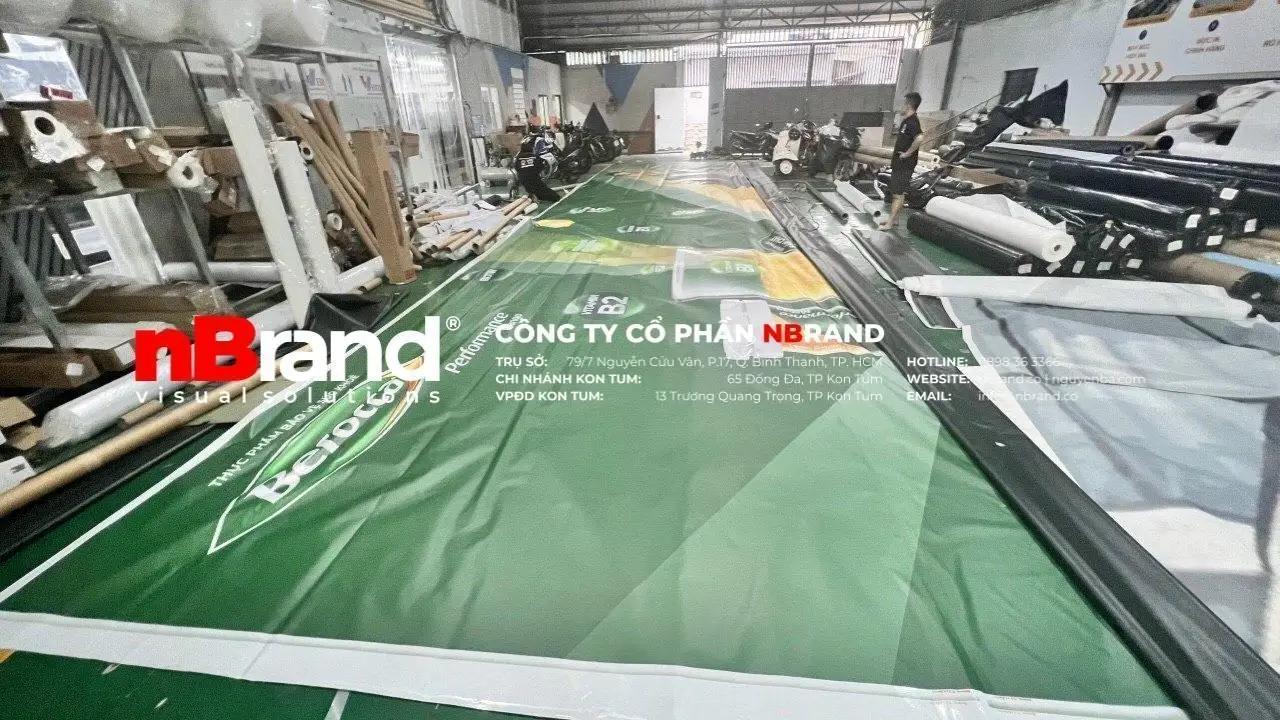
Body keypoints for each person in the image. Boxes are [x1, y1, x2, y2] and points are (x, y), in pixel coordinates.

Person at [880, 92, 924, 231]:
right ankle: (895, 220)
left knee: (897, 195)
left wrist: (907, 154)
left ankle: (889, 223)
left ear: (908, 105)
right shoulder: (907, 121)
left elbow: (919, 138)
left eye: (902, 104)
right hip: (900, 164)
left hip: (905, 165)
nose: (900, 107)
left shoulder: (912, 121)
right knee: (899, 193)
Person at [516, 128, 561, 202]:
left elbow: (517, 169)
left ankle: (534, 196)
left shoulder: (518, 158)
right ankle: (539, 196)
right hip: (536, 181)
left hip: (524, 182)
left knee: (536, 191)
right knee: (553, 196)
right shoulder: (535, 157)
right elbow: (540, 169)